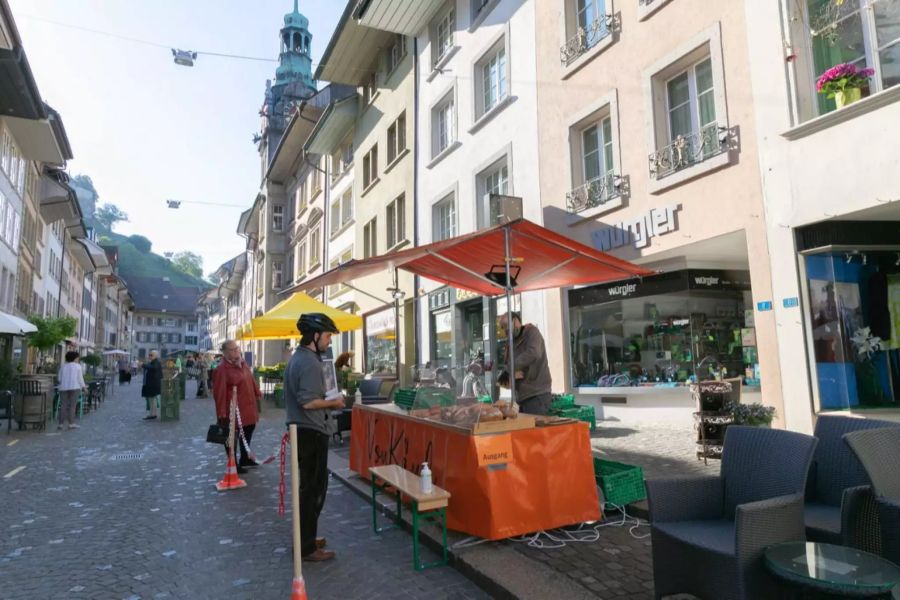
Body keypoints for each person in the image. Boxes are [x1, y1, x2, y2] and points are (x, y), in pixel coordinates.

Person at [285, 313, 344, 562]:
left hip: (304, 431)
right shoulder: (309, 362)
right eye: (328, 336)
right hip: (310, 431)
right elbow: (307, 402)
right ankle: (307, 547)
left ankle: (305, 538)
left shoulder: (301, 357)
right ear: (315, 335)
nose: (330, 341)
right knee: (313, 491)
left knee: (309, 489)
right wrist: (334, 402)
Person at [213, 340, 261, 473]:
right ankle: (233, 462)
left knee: (249, 427)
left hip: (248, 405)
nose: (236, 351)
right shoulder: (221, 369)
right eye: (232, 350)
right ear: (225, 353)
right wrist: (222, 412)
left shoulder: (242, 362)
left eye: (237, 348)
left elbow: (249, 378)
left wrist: (257, 391)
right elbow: (219, 392)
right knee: (231, 435)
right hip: (234, 409)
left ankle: (245, 458)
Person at [497, 312, 552, 415]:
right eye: (503, 328)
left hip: (536, 394)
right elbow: (509, 366)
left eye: (506, 326)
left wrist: (510, 368)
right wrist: (507, 377)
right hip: (520, 397)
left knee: (534, 428)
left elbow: (533, 353)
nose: (505, 331)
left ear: (515, 321)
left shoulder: (532, 332)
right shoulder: (510, 343)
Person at [57, 351, 87, 430]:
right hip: (75, 387)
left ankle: (60, 424)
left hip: (63, 388)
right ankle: (71, 423)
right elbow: (80, 379)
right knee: (72, 406)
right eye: (77, 357)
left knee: (63, 406)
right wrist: (84, 387)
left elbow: (59, 379)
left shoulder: (63, 366)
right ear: (75, 358)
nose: (78, 359)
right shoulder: (78, 366)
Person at [141, 351, 163, 420]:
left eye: (151, 355)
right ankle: (152, 414)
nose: (150, 356)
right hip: (151, 384)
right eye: (149, 355)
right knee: (151, 400)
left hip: (153, 384)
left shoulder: (156, 362)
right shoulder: (152, 362)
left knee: (152, 400)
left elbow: (153, 368)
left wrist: (143, 365)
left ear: (156, 356)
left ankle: (153, 414)